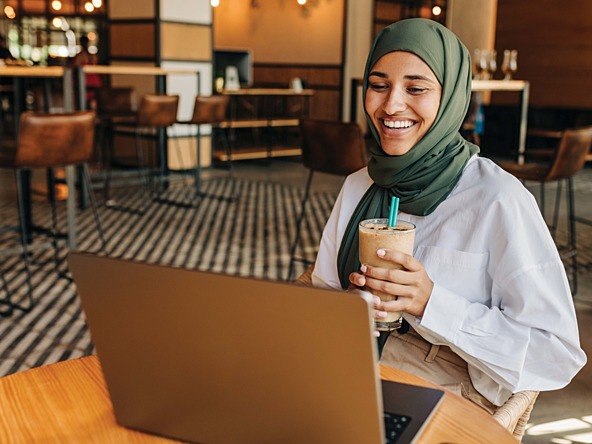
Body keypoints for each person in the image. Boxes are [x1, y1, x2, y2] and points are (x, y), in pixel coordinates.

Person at [311, 18, 586, 414]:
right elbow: (323, 294)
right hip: (350, 367)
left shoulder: (497, 200)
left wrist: (430, 303)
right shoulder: (360, 185)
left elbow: (556, 354)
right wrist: (349, 307)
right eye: (379, 84)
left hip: (446, 390)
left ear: (451, 96)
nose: (391, 105)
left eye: (416, 88)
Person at [71, 35, 102, 109]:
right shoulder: (93, 56)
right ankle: (92, 114)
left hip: (85, 81)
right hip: (95, 82)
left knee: (83, 98)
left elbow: (74, 67)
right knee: (93, 99)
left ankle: (84, 113)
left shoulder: (80, 56)